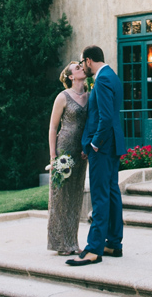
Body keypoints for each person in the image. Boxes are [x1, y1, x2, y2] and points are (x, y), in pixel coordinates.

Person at [66, 45, 126, 267]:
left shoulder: (101, 80)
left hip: (103, 148)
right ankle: (113, 243)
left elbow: (106, 117)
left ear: (89, 60)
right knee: (111, 194)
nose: (83, 66)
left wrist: (94, 143)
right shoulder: (113, 76)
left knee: (100, 196)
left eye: (83, 62)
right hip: (113, 145)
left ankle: (93, 249)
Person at [46, 61, 89, 255]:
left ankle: (73, 242)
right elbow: (53, 128)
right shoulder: (62, 97)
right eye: (77, 68)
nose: (81, 68)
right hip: (64, 150)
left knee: (75, 196)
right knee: (60, 196)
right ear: (71, 77)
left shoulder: (89, 96)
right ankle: (60, 243)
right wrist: (53, 156)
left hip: (81, 154)